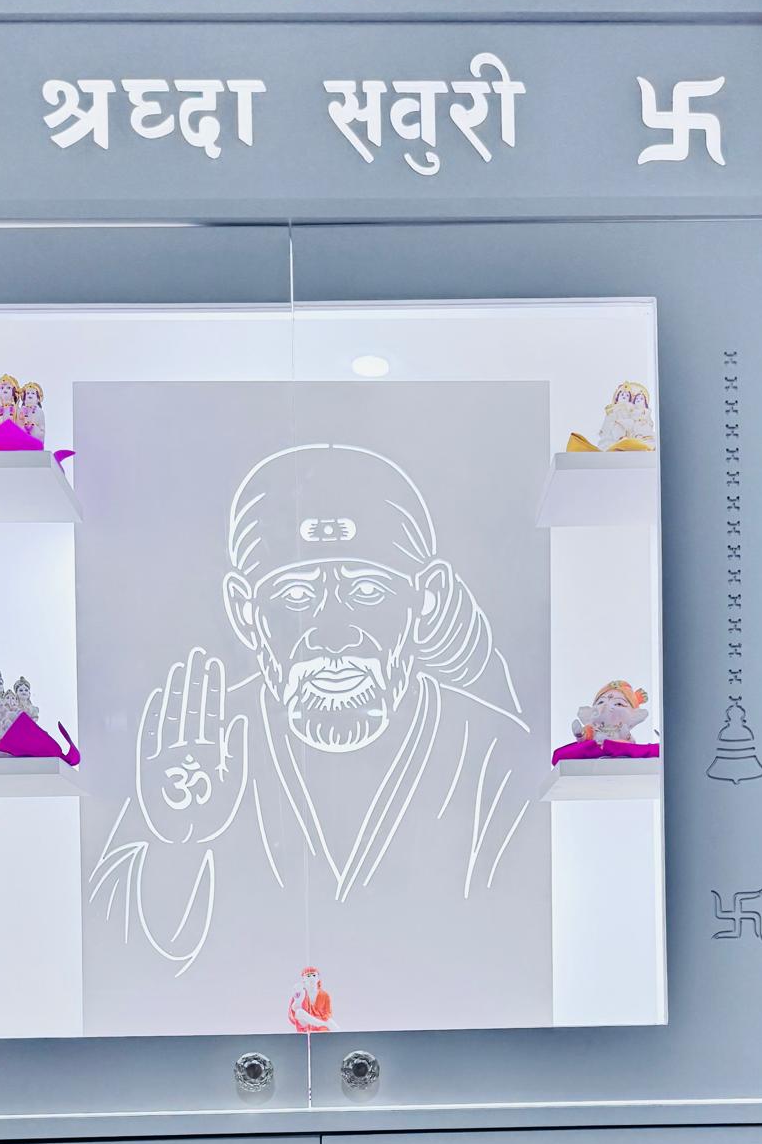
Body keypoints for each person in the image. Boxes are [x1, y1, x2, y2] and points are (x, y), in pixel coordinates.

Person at [87, 442, 546, 1031]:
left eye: (369, 591)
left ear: (425, 599)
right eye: (296, 595)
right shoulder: (201, 746)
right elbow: (117, 960)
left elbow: (520, 939)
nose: (332, 633)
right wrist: (176, 846)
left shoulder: (489, 750)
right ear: (245, 611)